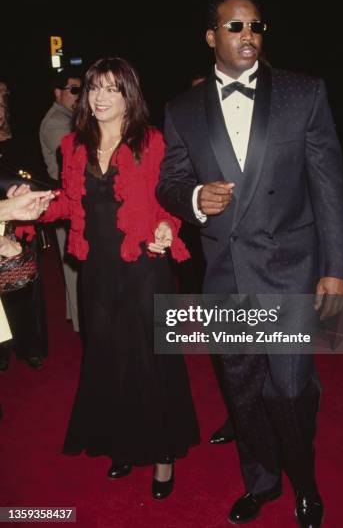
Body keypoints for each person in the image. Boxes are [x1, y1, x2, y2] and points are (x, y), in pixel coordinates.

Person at [157, 0, 343, 526]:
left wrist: (335, 268)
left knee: (287, 389)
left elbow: (328, 186)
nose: (248, 35)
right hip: (225, 274)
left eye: (256, 26)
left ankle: (305, 482)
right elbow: (170, 181)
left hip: (289, 268)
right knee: (242, 391)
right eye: (235, 27)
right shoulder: (181, 109)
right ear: (210, 37)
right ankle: (262, 483)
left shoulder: (302, 93)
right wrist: (195, 199)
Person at [40, 57, 199, 499]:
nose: (100, 97)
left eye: (111, 88)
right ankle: (122, 443)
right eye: (94, 88)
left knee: (151, 360)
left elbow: (169, 201)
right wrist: (27, 204)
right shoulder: (73, 145)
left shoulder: (152, 142)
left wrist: (168, 227)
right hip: (98, 269)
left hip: (145, 266)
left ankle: (164, 455)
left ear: (129, 94)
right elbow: (68, 204)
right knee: (108, 357)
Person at [0, 82, 51, 370]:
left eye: (1, 103)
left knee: (27, 289)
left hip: (22, 227)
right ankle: (3, 351)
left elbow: (39, 178)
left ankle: (31, 346)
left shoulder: (22, 141)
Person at [39, 70, 81, 332]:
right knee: (76, 268)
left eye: (81, 89)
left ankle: (74, 316)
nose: (79, 95)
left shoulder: (68, 118)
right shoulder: (56, 121)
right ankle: (82, 325)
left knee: (74, 264)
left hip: (70, 199)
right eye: (73, 90)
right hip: (66, 201)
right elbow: (71, 163)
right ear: (58, 92)